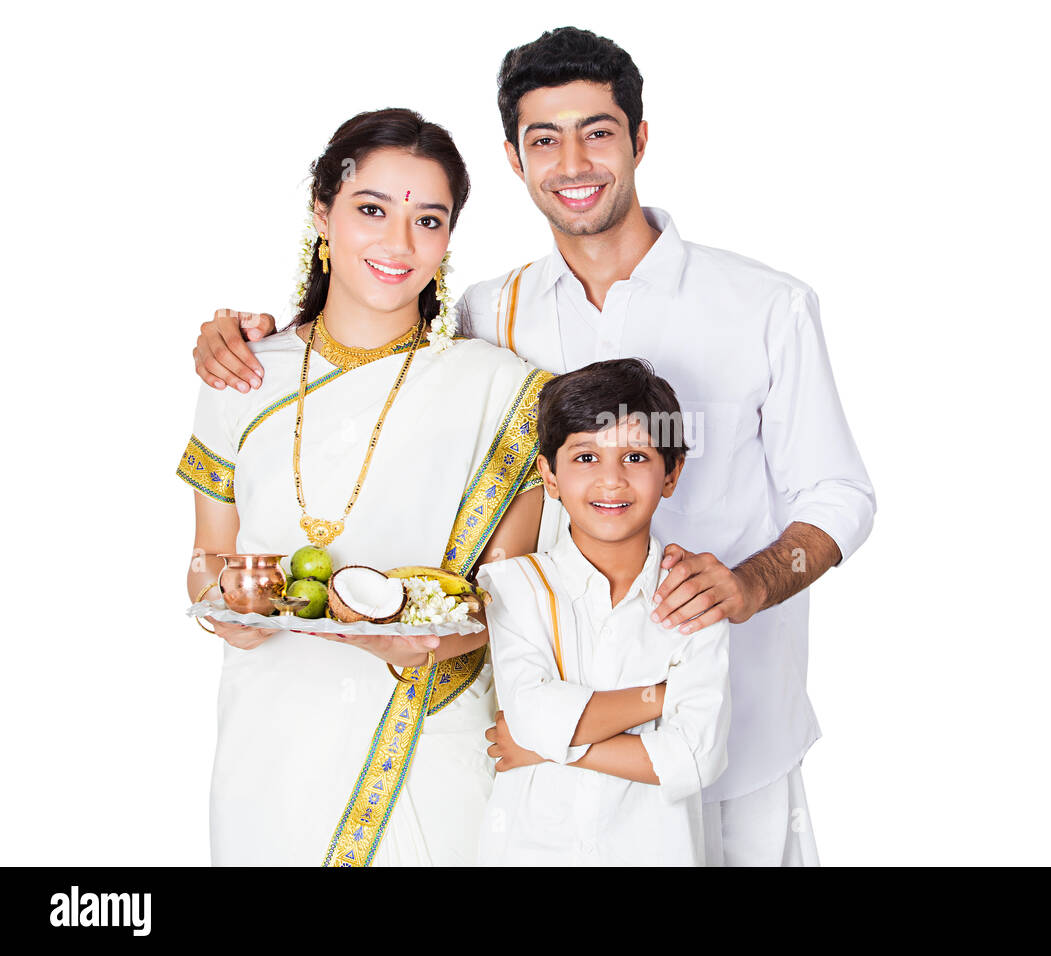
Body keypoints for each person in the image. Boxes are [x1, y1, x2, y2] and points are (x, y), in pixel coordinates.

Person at [191, 27, 875, 867]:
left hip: (729, 725)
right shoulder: (496, 314)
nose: (574, 162)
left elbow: (839, 496)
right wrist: (247, 340)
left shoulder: (763, 306)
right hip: (545, 738)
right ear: (516, 161)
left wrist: (747, 585)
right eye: (544, 140)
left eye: (598, 132)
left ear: (640, 140)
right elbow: (377, 360)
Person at [181, 108, 549, 866]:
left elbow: (516, 597)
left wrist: (442, 636)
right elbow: (205, 559)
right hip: (271, 749)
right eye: (371, 210)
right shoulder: (242, 375)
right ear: (323, 212)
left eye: (428, 219)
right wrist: (228, 613)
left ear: (449, 240)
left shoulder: (500, 389)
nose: (398, 243)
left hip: (429, 744)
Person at [476, 358, 730, 865]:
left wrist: (549, 745)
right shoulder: (515, 586)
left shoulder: (694, 596)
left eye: (635, 457)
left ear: (672, 473)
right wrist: (662, 697)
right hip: (533, 850)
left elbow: (698, 757)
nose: (611, 481)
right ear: (549, 474)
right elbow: (529, 715)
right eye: (586, 458)